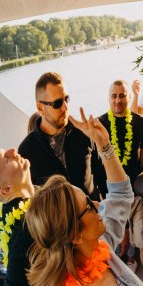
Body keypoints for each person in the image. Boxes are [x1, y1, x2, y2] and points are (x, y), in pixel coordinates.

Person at [25, 108, 143, 286]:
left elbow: (120, 195)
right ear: (75, 235)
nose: (98, 204)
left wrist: (104, 146)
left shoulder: (98, 246)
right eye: (89, 207)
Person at [99, 80, 143, 286]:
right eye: (114, 95)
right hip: (113, 197)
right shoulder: (101, 125)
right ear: (109, 98)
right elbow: (96, 166)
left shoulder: (138, 121)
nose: (118, 100)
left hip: (137, 193)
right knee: (121, 244)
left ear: (129, 97)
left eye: (122, 95)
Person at [0, 147, 72, 286]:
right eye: (6, 159)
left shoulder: (21, 205)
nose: (13, 151)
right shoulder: (25, 227)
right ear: (6, 190)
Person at [18, 71, 106, 199]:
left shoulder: (83, 132)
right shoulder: (26, 151)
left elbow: (103, 178)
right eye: (58, 103)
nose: (65, 107)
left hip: (95, 210)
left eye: (66, 99)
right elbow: (30, 199)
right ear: (40, 108)